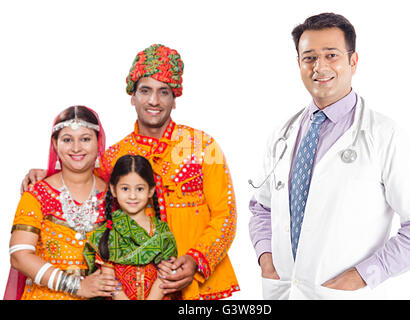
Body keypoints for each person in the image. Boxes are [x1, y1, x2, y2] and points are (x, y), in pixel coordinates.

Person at [248, 13, 410, 299]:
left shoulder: (384, 135)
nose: (320, 67)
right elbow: (261, 208)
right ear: (299, 64)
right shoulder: (283, 134)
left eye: (331, 55)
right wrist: (267, 261)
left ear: (353, 62)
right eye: (310, 57)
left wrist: (363, 275)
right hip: (282, 291)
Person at [21, 44, 239, 300]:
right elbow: (83, 182)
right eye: (145, 91)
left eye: (164, 92)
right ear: (132, 96)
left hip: (200, 287)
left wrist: (195, 260)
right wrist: (49, 172)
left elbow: (226, 217)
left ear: (175, 98)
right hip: (136, 291)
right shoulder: (114, 156)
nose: (154, 101)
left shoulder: (203, 146)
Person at [6, 106, 121, 300]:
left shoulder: (116, 192)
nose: (76, 148)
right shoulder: (38, 193)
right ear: (55, 143)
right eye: (67, 140)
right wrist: (77, 286)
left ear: (98, 141)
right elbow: (19, 256)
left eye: (85, 139)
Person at [83, 155, 178, 300]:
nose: (132, 196)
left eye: (139, 189)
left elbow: (165, 274)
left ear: (151, 191)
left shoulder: (161, 230)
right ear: (114, 190)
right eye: (125, 188)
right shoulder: (108, 232)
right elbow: (108, 280)